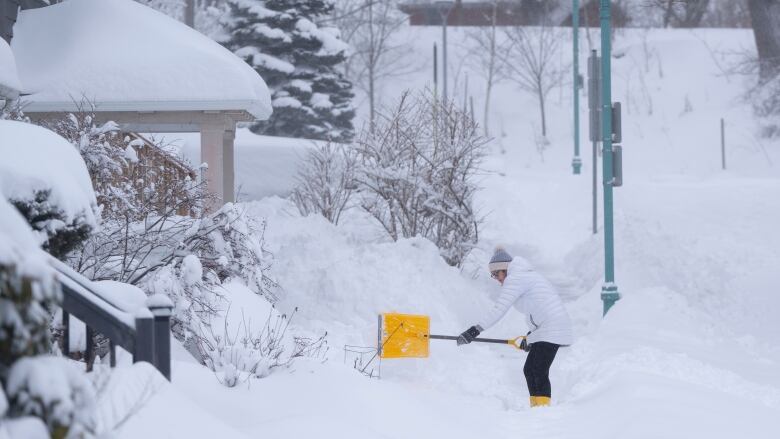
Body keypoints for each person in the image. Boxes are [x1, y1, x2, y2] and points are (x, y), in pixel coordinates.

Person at [457, 247, 573, 408]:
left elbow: (499, 309)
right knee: (530, 370)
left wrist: (475, 330)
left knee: (538, 370)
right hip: (549, 328)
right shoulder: (525, 275)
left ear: (504, 269)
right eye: (493, 275)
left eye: (496, 274)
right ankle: (538, 407)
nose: (496, 278)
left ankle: (543, 410)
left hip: (553, 329)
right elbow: (537, 310)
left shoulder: (516, 278)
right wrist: (530, 337)